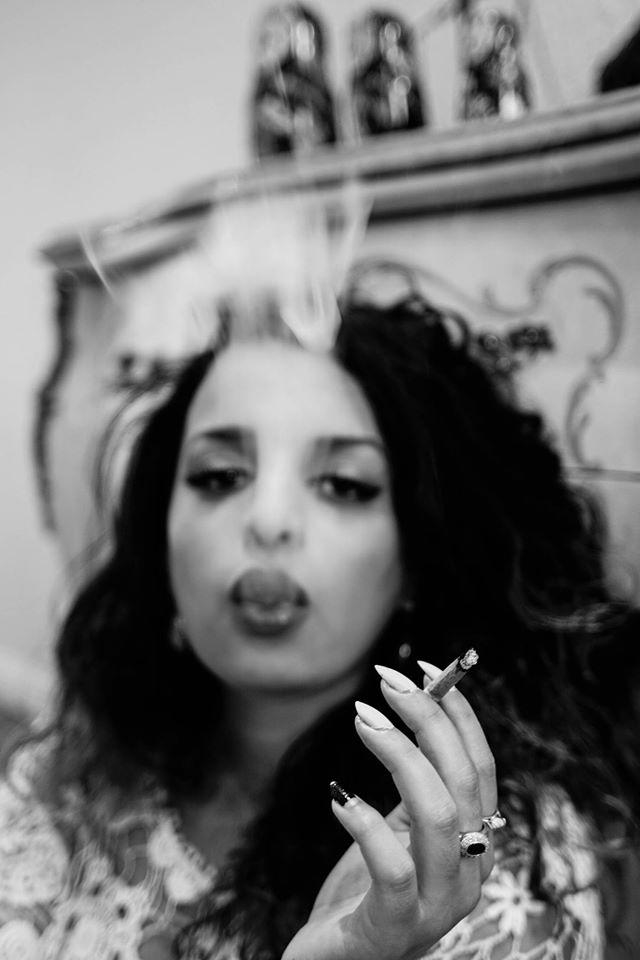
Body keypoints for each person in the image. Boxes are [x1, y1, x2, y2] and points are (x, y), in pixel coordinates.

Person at [1, 211, 639, 960]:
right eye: (219, 475)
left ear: (416, 562)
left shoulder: (482, 864)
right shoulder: (76, 767)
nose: (269, 520)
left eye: (343, 484)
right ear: (157, 532)